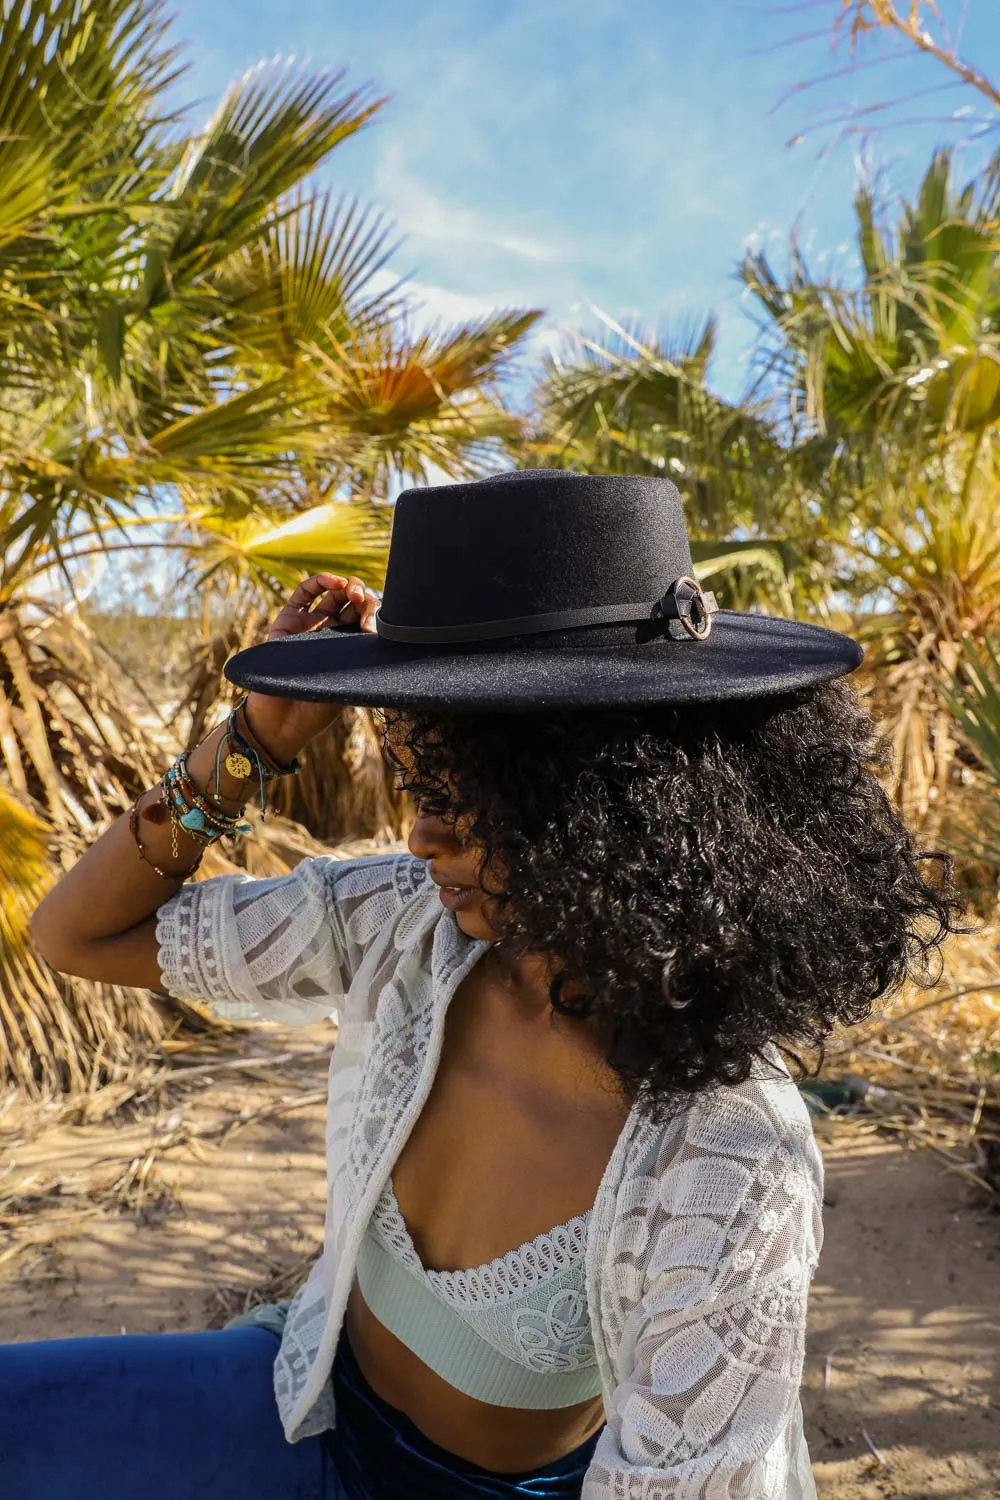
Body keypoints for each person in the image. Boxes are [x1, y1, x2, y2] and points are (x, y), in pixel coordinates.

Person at [18, 471, 962, 1500]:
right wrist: (248, 744)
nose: (422, 833)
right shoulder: (407, 930)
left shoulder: (724, 1151)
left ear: (627, 809)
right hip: (304, 1407)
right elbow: (75, 933)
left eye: (480, 799)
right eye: (423, 784)